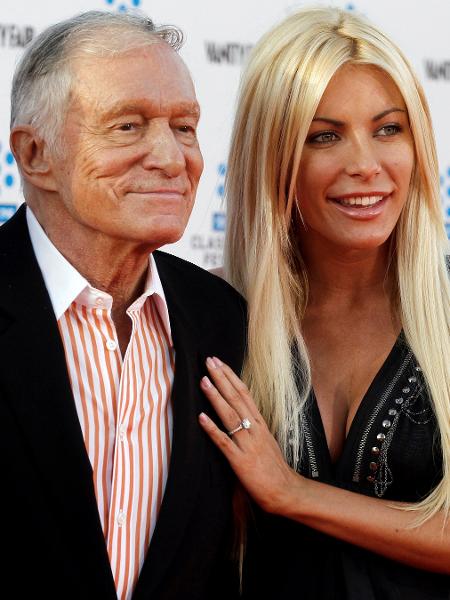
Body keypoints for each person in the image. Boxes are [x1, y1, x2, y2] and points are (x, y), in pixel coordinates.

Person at [198, 7, 450, 599]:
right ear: (274, 157)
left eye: (388, 129)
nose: (365, 165)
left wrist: (293, 493)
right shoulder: (208, 314)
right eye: (324, 136)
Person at [1, 11, 246, 600]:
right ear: (35, 154)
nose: (171, 157)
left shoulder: (222, 318)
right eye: (128, 126)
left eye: (184, 127)